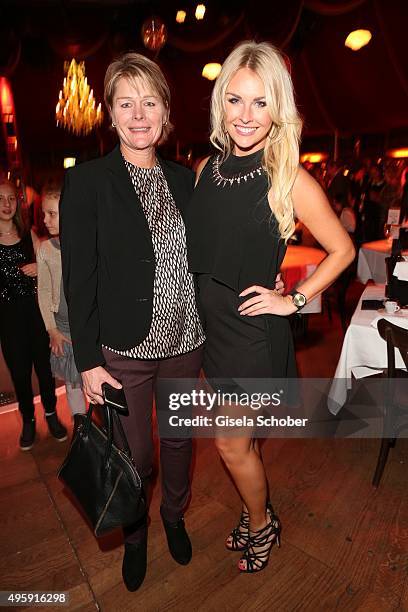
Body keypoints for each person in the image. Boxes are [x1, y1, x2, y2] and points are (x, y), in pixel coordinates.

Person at [185, 41, 355, 573]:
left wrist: (295, 300)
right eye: (236, 100)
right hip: (214, 333)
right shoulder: (204, 171)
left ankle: (263, 524)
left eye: (261, 104)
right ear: (221, 103)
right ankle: (253, 508)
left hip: (254, 339)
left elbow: (343, 250)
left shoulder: (289, 180)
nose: (246, 116)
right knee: (244, 446)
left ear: (278, 109)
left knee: (230, 446)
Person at [59, 52, 207, 593]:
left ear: (165, 112)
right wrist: (89, 361)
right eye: (127, 103)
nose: (139, 114)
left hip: (186, 341)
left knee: (178, 442)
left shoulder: (184, 181)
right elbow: (79, 279)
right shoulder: (88, 183)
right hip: (125, 347)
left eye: (149, 102)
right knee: (134, 455)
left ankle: (173, 515)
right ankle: (137, 532)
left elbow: (206, 258)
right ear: (112, 113)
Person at [0, 179, 67, 450]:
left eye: (11, 199)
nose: (6, 204)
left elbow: (50, 264)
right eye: (0, 199)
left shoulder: (28, 232)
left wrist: (40, 270)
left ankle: (51, 414)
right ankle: (28, 420)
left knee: (45, 367)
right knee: (19, 372)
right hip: (8, 318)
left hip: (37, 313)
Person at [36, 182, 86, 423]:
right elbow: (44, 292)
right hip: (63, 329)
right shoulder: (45, 249)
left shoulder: (86, 243)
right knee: (72, 383)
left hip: (88, 326)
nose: (45, 219)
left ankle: (104, 432)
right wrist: (52, 330)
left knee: (94, 379)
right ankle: (81, 428)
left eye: (52, 213)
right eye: (44, 213)